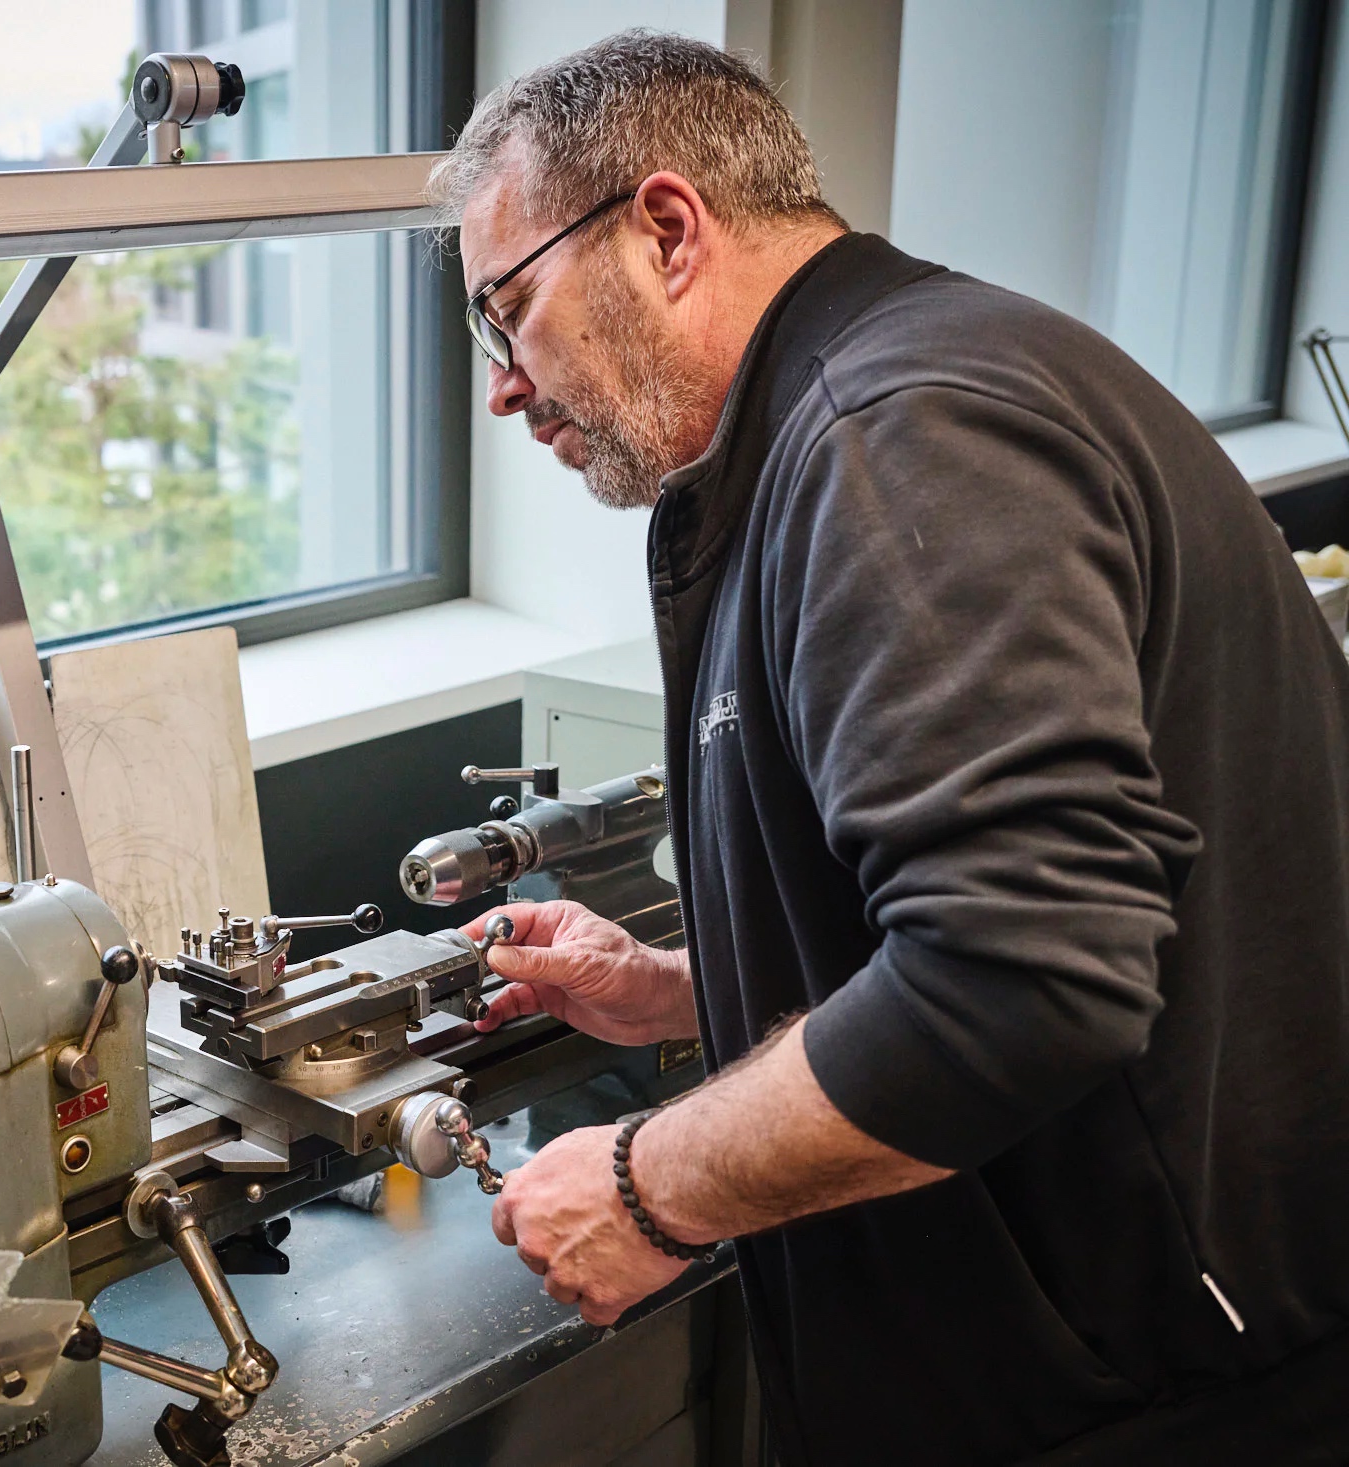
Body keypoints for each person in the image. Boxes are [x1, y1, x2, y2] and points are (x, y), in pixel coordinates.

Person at [433, 31, 1349, 1467]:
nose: (503, 383)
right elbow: (985, 912)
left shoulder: (892, 434)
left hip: (1146, 1397)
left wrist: (644, 1180)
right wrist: (693, 989)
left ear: (667, 229)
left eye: (510, 308)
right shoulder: (897, 385)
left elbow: (1019, 977)